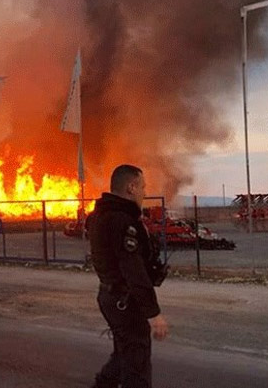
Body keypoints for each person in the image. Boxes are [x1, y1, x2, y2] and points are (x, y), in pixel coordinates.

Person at [86, 164, 169, 388]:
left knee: (124, 354)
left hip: (109, 296)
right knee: (136, 365)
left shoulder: (100, 215)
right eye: (142, 187)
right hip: (125, 300)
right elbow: (133, 271)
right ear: (131, 188)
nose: (145, 192)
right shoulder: (122, 221)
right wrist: (153, 313)